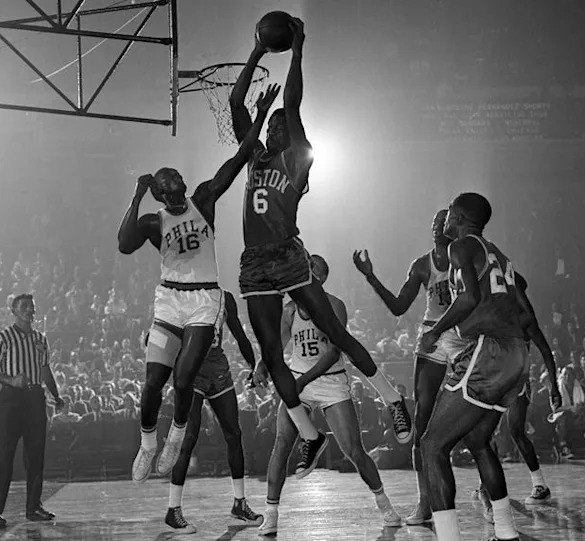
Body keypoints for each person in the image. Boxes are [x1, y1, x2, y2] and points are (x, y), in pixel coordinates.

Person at [230, 16, 411, 479]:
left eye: (279, 128)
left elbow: (292, 103)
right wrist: (255, 51)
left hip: (288, 254)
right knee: (270, 354)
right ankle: (308, 435)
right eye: (269, 128)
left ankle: (391, 397)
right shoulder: (255, 156)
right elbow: (236, 101)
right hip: (253, 262)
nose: (273, 132)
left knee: (337, 332)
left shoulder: (297, 156)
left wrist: (297, 51)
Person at [117, 84, 280, 483]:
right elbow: (123, 245)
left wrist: (258, 115)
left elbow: (241, 156)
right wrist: (136, 195)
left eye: (177, 186)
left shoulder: (204, 198)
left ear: (184, 187)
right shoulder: (153, 221)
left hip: (205, 298)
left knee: (185, 377)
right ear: (158, 194)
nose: (175, 193)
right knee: (153, 381)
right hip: (170, 299)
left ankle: (175, 437)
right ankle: (148, 443)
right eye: (166, 190)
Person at [258, 255, 401, 536]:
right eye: (306, 264)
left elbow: (336, 351)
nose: (307, 268)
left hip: (331, 382)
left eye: (314, 267)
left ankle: (384, 504)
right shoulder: (289, 310)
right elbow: (276, 344)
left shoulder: (334, 305)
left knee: (353, 451)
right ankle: (271, 514)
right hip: (301, 381)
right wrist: (261, 366)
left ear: (321, 278)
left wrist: (302, 381)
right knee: (282, 443)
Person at [417, 193, 530, 541]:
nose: (445, 217)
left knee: (431, 446)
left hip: (491, 350)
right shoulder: (498, 253)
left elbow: (470, 298)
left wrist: (434, 332)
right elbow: (520, 297)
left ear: (460, 217)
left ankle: (449, 537)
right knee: (479, 440)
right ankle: (507, 531)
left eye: (449, 211)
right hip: (517, 354)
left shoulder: (462, 246)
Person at [352, 209, 465, 525]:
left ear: (452, 227)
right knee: (422, 424)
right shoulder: (421, 265)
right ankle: (425, 502)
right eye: (431, 223)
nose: (435, 227)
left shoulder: (465, 259)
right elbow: (398, 307)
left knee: (474, 418)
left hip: (460, 337)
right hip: (431, 338)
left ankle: (486, 491)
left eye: (441, 222)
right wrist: (370, 276)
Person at [162, 291, 265, 534]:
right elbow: (167, 335)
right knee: (189, 438)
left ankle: (240, 504)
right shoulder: (182, 297)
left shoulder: (223, 298)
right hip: (192, 372)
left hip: (218, 371)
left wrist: (253, 367)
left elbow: (239, 335)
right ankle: (172, 509)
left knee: (234, 434)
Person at [473, 272, 562, 518]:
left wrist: (554, 386)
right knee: (488, 434)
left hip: (515, 382)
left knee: (514, 432)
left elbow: (546, 352)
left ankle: (539, 484)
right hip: (495, 381)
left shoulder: (523, 318)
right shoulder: (495, 316)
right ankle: (488, 483)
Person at [0, 294, 64, 529]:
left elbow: (46, 369)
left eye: (32, 307)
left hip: (35, 397)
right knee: (4, 455)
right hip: (12, 398)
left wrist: (56, 396)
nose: (30, 310)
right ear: (14, 311)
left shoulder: (40, 339)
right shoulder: (4, 337)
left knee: (36, 454)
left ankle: (33, 507)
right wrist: (10, 380)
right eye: (25, 307)